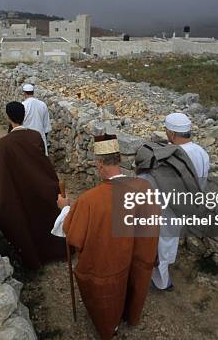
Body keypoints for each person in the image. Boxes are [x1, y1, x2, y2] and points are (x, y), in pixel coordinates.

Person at [52, 134, 158, 340]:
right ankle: (129, 316)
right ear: (118, 159)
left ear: (100, 163)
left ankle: (110, 327)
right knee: (133, 282)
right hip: (137, 256)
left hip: (109, 265)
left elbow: (73, 235)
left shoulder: (89, 200)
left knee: (108, 295)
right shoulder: (144, 189)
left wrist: (65, 209)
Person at [0, 101, 65, 269]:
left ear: (8, 117)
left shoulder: (4, 143)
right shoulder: (35, 135)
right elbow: (41, 162)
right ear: (24, 115)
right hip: (38, 186)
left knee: (26, 221)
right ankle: (53, 250)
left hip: (20, 189)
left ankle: (34, 256)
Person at [147, 112, 209, 291]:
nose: (166, 134)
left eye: (166, 131)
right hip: (188, 204)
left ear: (172, 134)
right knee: (170, 240)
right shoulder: (202, 153)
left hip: (168, 207)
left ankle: (161, 281)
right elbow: (201, 182)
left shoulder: (171, 154)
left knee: (162, 243)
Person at [21, 84, 51, 155]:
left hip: (27, 137)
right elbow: (46, 126)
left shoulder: (23, 105)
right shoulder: (42, 104)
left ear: (24, 93)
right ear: (33, 92)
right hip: (40, 138)